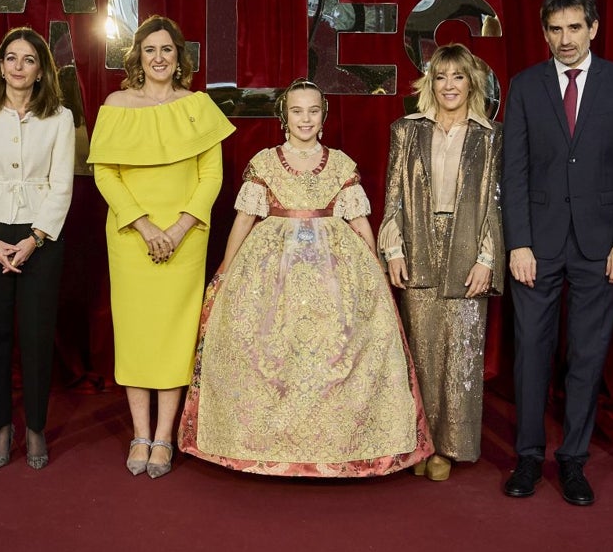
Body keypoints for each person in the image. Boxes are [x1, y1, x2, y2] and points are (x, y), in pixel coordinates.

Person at [178, 79, 433, 477]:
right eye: (297, 111)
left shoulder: (341, 163)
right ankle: (263, 445)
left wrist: (377, 267)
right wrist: (226, 270)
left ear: (323, 116)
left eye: (313, 110)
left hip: (335, 268)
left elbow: (359, 220)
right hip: (271, 268)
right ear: (284, 116)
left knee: (337, 349)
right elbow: (245, 218)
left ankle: (338, 447)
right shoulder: (265, 162)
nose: (305, 118)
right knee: (269, 348)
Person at [501, 0, 613, 505]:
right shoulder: (524, 86)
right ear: (544, 33)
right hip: (536, 248)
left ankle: (573, 462)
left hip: (601, 247)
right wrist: (517, 243)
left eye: (574, 28)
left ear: (593, 28)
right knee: (531, 356)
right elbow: (512, 173)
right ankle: (527, 457)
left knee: (586, 357)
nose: (565, 39)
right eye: (555, 29)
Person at [87, 15, 234, 478]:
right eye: (150, 49)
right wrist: (147, 227)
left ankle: (165, 436)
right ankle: (139, 434)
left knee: (175, 334)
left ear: (179, 57)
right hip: (132, 237)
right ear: (137, 57)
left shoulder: (197, 106)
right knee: (135, 333)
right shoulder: (116, 104)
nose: (158, 57)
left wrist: (179, 227)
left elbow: (212, 176)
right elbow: (105, 173)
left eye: (166, 49)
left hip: (187, 237)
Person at [380, 44, 504, 481]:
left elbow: (495, 203)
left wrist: (488, 258)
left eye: (458, 77)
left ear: (472, 83)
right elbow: (393, 194)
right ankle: (421, 441)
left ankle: (449, 448)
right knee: (421, 350)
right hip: (418, 245)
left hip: (468, 247)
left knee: (462, 355)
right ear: (429, 84)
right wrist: (392, 249)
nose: (449, 86)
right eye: (440, 77)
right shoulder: (406, 130)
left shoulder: (490, 136)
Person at [0, 27, 75, 470]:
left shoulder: (59, 118)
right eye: (11, 58)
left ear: (41, 70)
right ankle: (1, 425)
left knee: (37, 335)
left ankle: (36, 427)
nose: (18, 67)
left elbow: (62, 184)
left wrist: (35, 238)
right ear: (0, 66)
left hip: (40, 236)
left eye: (28, 59)